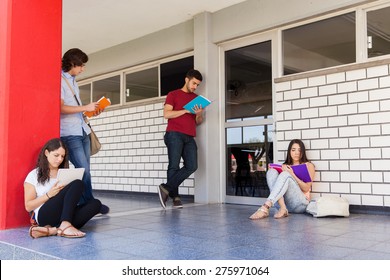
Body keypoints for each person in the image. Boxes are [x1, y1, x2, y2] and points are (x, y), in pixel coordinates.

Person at [60, 48, 109, 214]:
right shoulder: (59, 80)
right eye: (81, 65)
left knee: (85, 169)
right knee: (84, 169)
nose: (83, 69)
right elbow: (60, 108)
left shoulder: (73, 81)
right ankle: (90, 203)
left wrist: (90, 110)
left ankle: (84, 202)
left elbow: (75, 107)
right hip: (69, 132)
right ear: (72, 63)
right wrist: (85, 107)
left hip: (82, 130)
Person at [24, 138, 102, 238]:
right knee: (78, 183)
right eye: (56, 155)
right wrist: (49, 195)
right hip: (45, 215)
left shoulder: (65, 173)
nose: (60, 159)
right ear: (46, 153)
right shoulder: (34, 175)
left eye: (62, 156)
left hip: (65, 213)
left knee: (96, 204)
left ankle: (55, 230)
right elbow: (28, 206)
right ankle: (65, 224)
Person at [158, 69, 205, 209]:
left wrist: (198, 114)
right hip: (174, 134)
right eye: (194, 83)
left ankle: (165, 188)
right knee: (174, 166)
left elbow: (199, 121)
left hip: (189, 136)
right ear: (186, 79)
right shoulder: (173, 94)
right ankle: (176, 197)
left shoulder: (197, 99)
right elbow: (166, 114)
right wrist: (185, 110)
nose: (195, 87)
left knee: (192, 166)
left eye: (197, 85)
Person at [249, 139, 315, 219]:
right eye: (293, 150)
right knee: (271, 172)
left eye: (299, 150)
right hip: (281, 205)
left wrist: (292, 174)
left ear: (303, 152)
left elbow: (306, 188)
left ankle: (265, 207)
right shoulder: (285, 166)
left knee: (285, 174)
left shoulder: (308, 165)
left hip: (300, 205)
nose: (297, 153)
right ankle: (283, 208)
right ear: (289, 152)